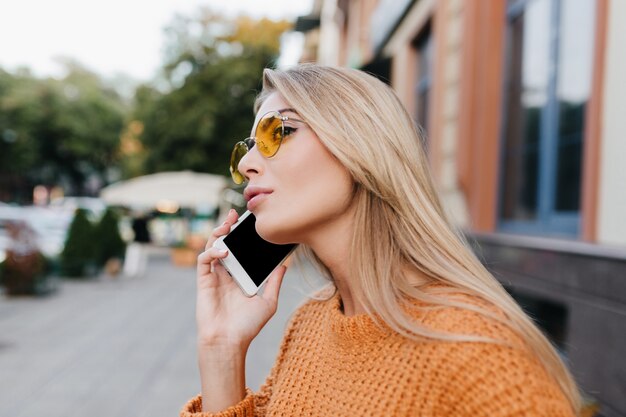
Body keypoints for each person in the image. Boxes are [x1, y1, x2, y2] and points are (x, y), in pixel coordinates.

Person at [181, 64, 580, 416]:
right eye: (247, 149)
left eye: (277, 132)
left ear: (359, 144)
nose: (248, 164)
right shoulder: (311, 322)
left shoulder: (483, 355)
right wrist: (221, 349)